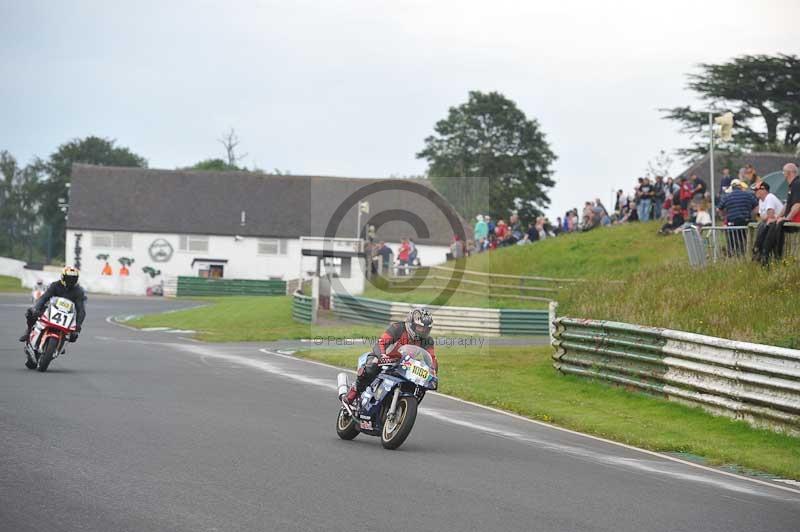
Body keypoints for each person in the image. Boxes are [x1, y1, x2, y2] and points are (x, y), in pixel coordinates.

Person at [341, 308, 437, 406]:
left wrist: (433, 373)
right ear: (411, 324)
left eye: (426, 329)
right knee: (371, 367)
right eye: (420, 328)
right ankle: (353, 392)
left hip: (405, 365)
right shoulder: (398, 328)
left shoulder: (427, 340)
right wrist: (382, 356)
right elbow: (381, 343)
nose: (423, 331)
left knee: (421, 385)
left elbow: (431, 358)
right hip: (385, 359)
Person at [20, 266, 86, 343]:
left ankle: (60, 342)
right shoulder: (55, 285)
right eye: (68, 278)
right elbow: (44, 298)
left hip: (67, 314)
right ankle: (28, 331)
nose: (70, 281)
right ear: (63, 277)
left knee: (74, 336)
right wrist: (36, 308)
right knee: (30, 312)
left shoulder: (78, 291)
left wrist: (78, 325)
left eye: (73, 278)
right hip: (51, 309)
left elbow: (81, 310)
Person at [758, 163, 800, 264]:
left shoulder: (797, 184)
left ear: (788, 173)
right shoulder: (792, 185)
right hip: (791, 219)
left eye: (783, 172)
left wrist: (787, 218)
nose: (783, 174)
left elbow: (797, 205)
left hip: (796, 221)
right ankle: (764, 251)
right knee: (772, 224)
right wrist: (778, 216)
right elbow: (787, 204)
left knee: (775, 226)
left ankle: (769, 254)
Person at [718, 179, 757, 257]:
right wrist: (752, 216)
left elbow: (719, 209)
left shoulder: (727, 196)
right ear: (740, 186)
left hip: (732, 224)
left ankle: (734, 257)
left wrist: (723, 217)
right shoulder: (748, 195)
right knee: (745, 241)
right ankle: (746, 256)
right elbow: (756, 207)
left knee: (732, 243)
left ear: (732, 187)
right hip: (746, 223)